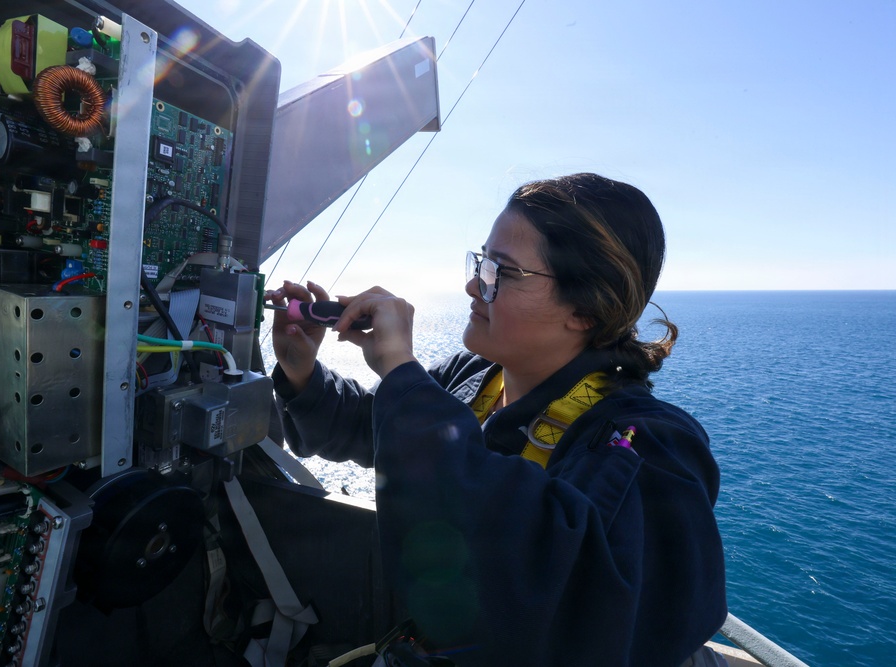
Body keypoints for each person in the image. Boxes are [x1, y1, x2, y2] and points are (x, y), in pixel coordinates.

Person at [266, 173, 727, 666]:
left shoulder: (646, 446)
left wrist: (403, 373)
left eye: (500, 272)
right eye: (482, 261)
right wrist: (303, 371)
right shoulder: (476, 376)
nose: (472, 284)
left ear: (588, 309)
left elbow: (546, 586)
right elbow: (374, 425)